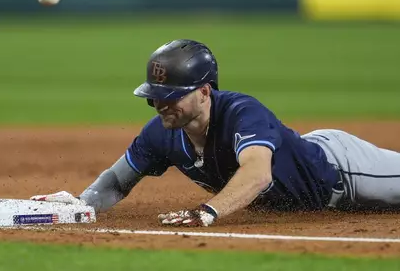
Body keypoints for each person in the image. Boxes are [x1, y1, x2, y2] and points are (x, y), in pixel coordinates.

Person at [31, 39, 400, 227]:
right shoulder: (160, 133)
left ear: (205, 92)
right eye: (155, 97)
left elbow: (257, 174)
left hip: (343, 172)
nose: (161, 105)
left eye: (171, 96)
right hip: (313, 200)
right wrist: (83, 204)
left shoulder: (242, 112)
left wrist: (208, 211)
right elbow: (116, 181)